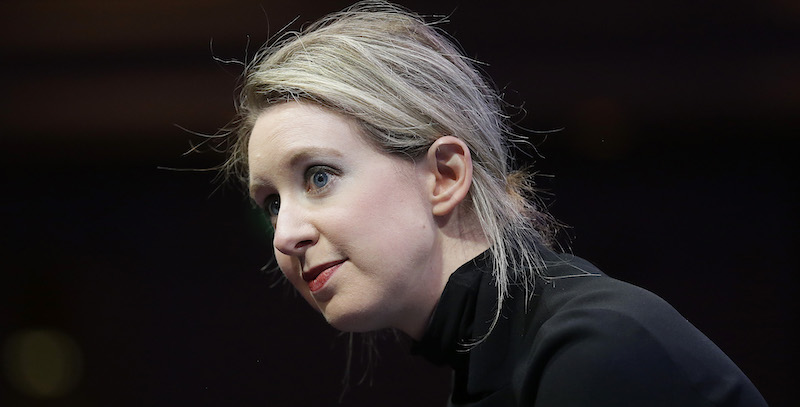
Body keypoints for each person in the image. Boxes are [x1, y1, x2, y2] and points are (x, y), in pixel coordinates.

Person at [221, 1, 768, 405]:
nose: (284, 235)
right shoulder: (511, 359)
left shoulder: (595, 350)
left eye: (318, 176)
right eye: (270, 203)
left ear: (444, 176)